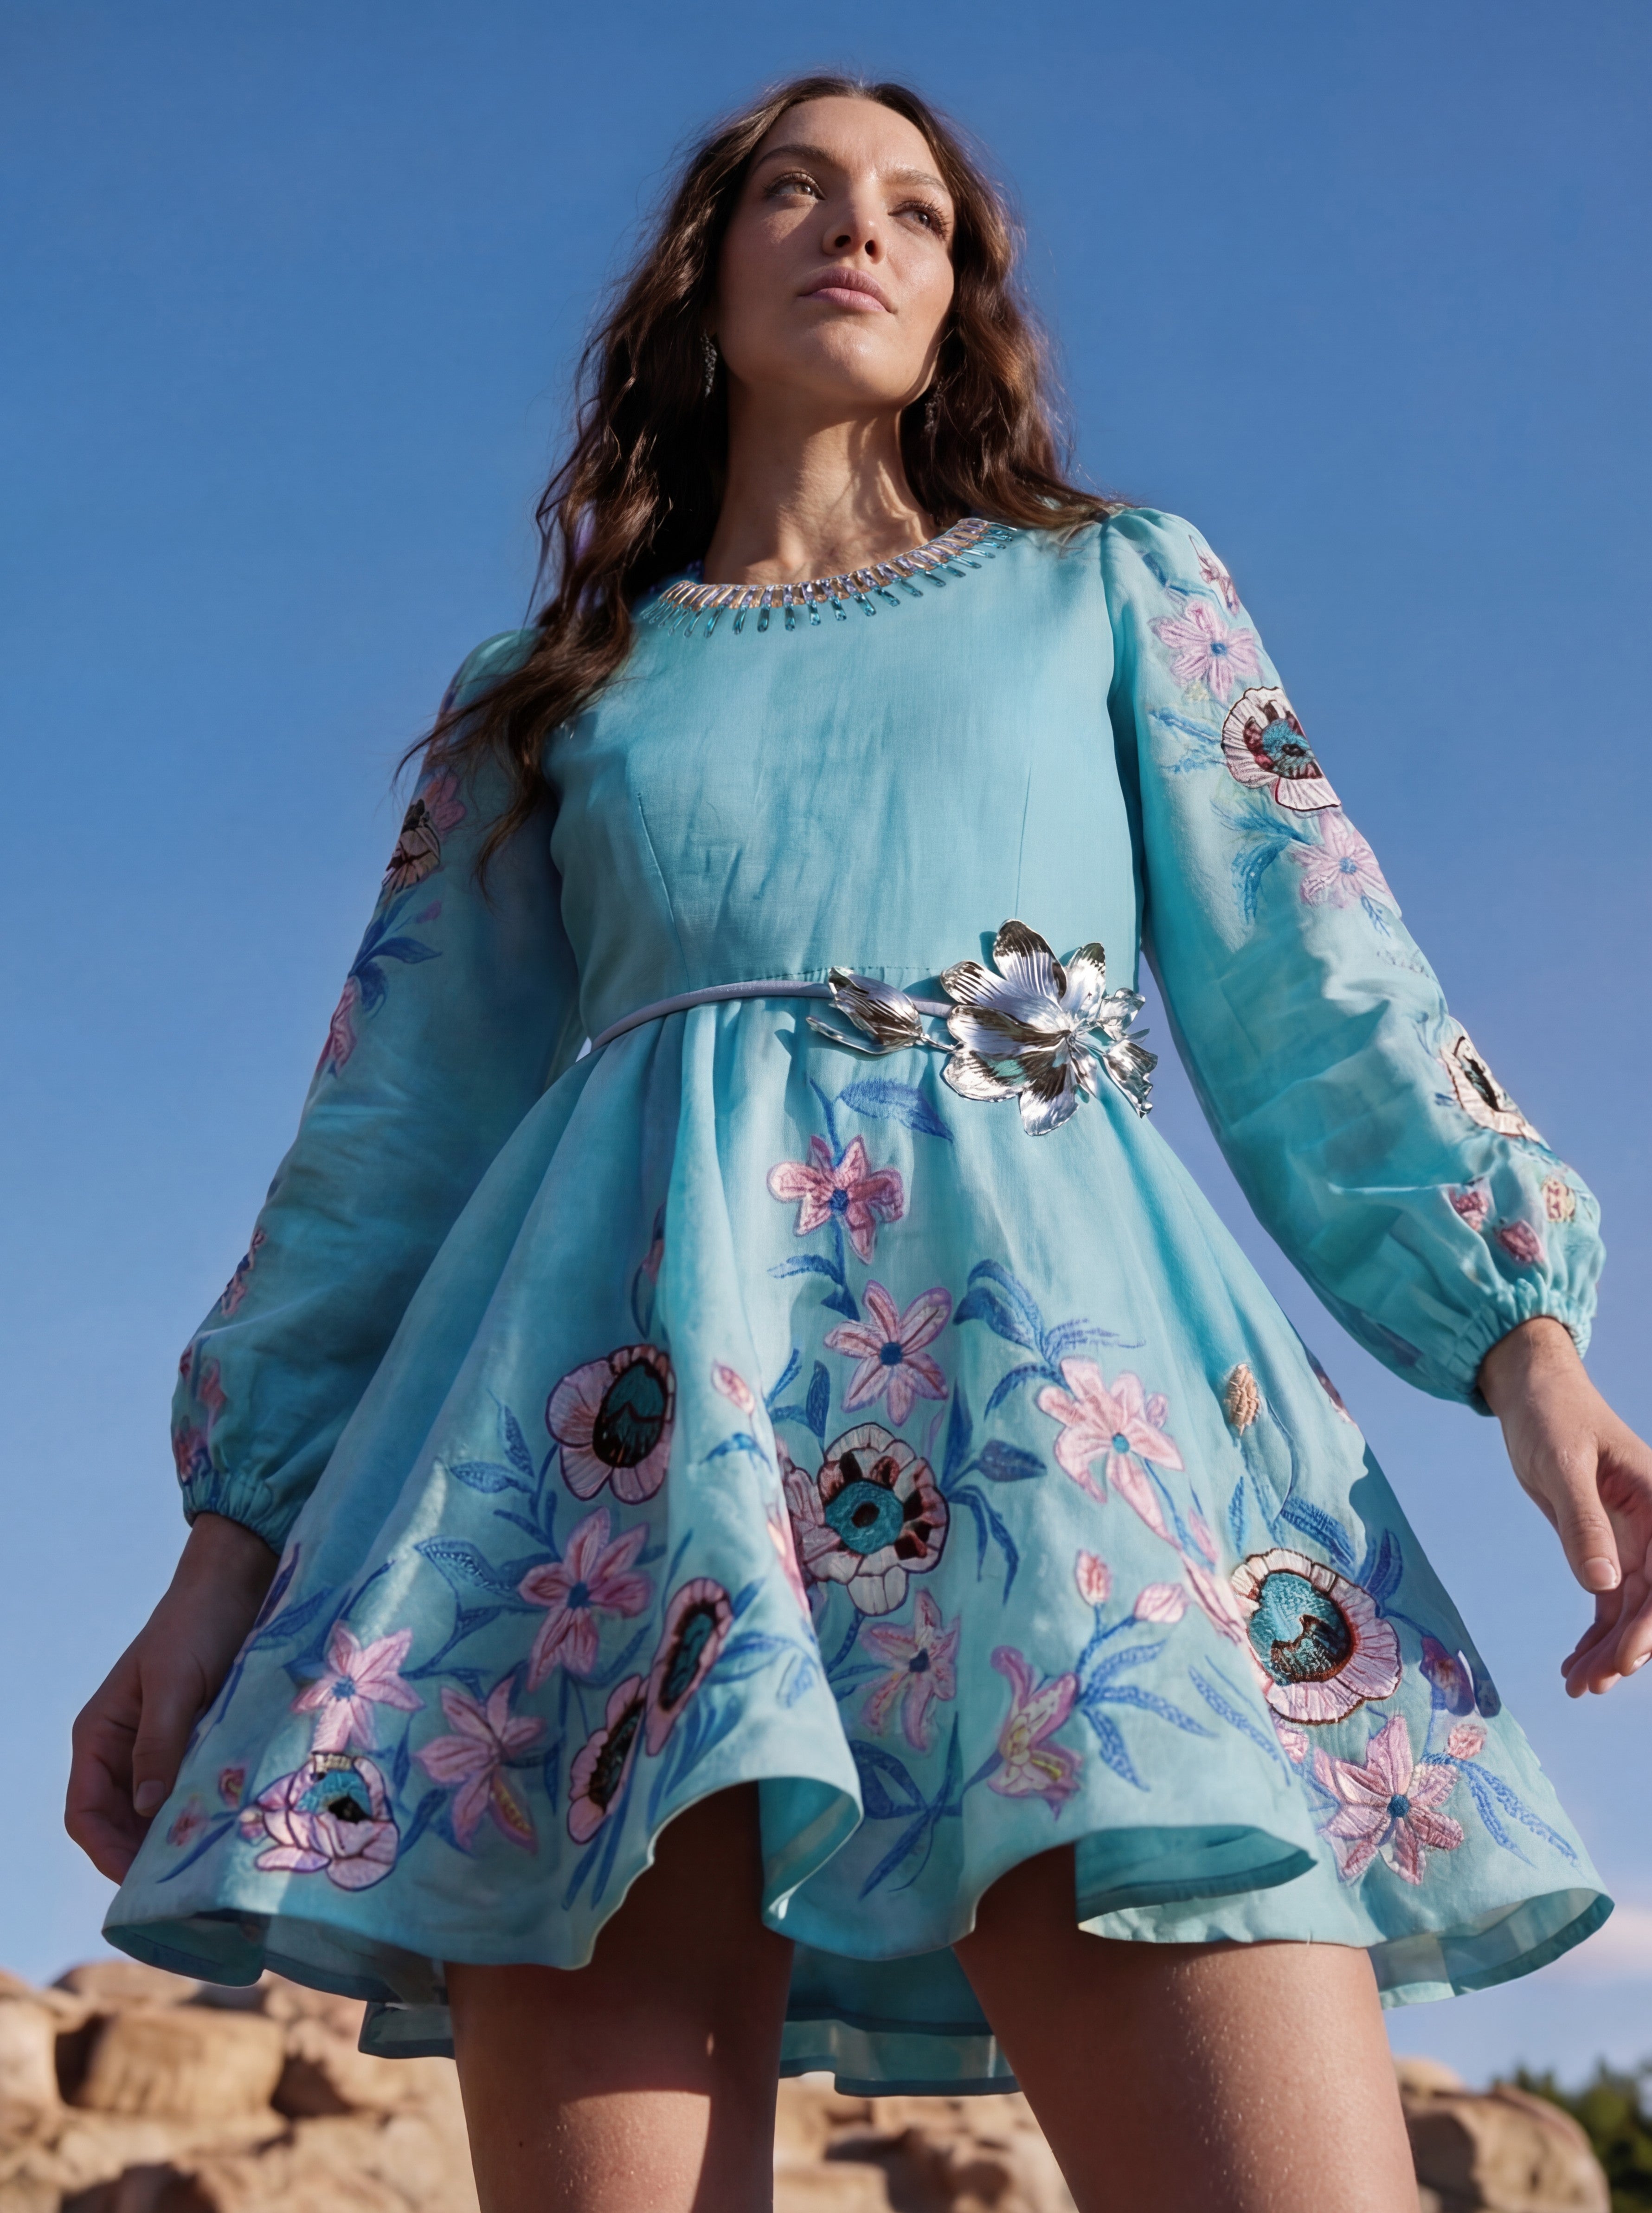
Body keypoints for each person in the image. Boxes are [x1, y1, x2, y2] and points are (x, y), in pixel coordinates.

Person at [67, 73, 1652, 2213]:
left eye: (918, 208)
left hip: (1054, 1453)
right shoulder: (550, 693)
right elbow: (388, 1137)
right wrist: (222, 1554)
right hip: (612, 1489)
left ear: (957, 298)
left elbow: (1322, 986)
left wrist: (1525, 1344)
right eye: (798, 190)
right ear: (704, 277)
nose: (861, 227)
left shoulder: (1113, 587)